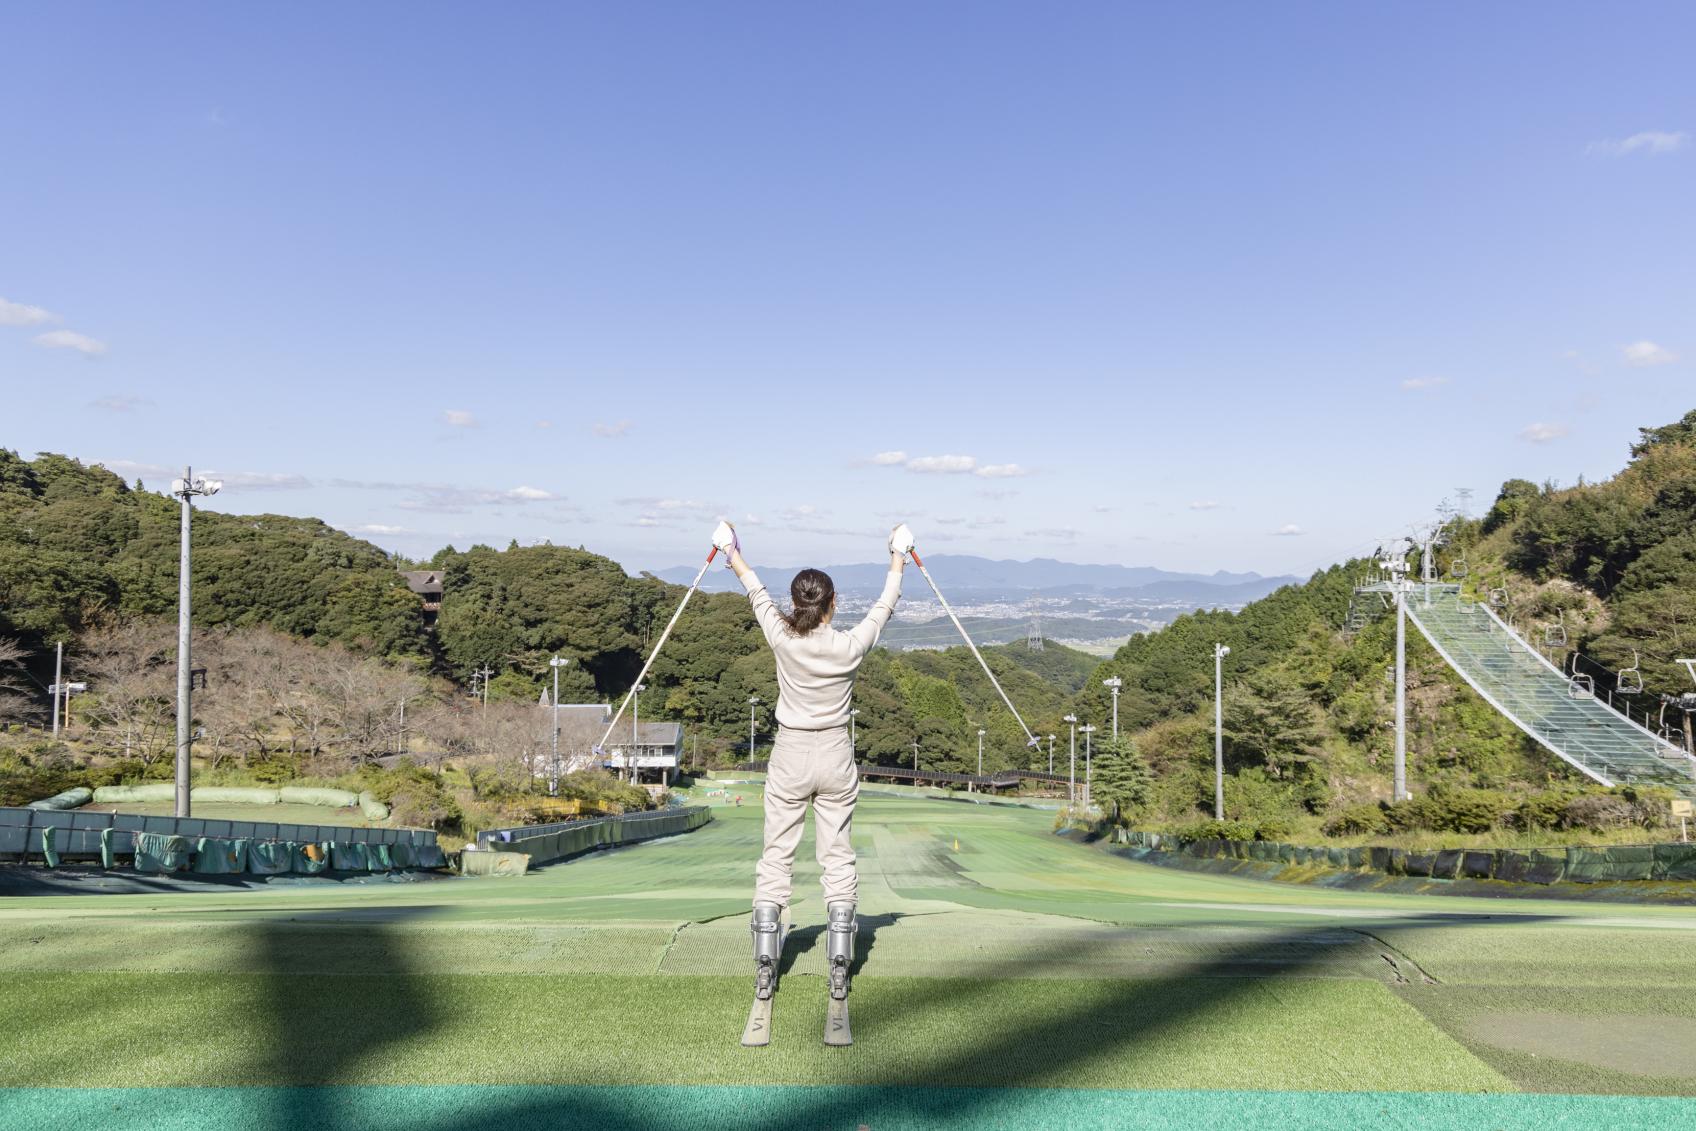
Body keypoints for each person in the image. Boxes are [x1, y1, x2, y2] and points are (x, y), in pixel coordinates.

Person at [713, 520, 912, 1012]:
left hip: (790, 752)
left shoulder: (782, 637)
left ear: (798, 602)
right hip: (836, 755)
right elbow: (885, 606)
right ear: (832, 603)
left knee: (777, 853)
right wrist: (898, 555)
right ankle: (840, 960)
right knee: (837, 854)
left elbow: (753, 587)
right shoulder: (849, 647)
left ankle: (765, 960)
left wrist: (729, 549)